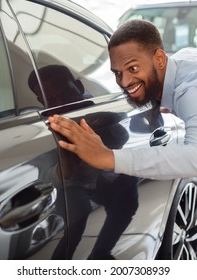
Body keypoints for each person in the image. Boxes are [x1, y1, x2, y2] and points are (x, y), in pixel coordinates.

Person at [48, 19, 197, 260]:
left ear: (160, 60)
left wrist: (110, 157)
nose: (123, 82)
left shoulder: (195, 91)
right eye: (117, 73)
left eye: (133, 69)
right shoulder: (185, 59)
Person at [29, 64, 138, 259]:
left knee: (127, 194)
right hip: (71, 185)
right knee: (75, 221)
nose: (63, 103)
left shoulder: (98, 111)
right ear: (41, 101)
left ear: (78, 87)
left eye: (66, 94)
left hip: (102, 179)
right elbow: (62, 174)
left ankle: (101, 252)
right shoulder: (45, 127)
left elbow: (122, 135)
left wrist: (100, 126)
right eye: (52, 100)